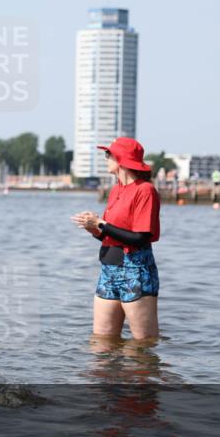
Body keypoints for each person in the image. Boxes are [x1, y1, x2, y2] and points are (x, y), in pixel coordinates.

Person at [71, 137, 160, 341]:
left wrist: (101, 224)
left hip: (135, 271)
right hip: (109, 269)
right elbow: (113, 234)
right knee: (101, 342)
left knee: (143, 345)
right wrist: (94, 229)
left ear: (122, 159)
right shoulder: (115, 190)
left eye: (108, 154)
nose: (106, 158)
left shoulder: (145, 190)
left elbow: (140, 238)